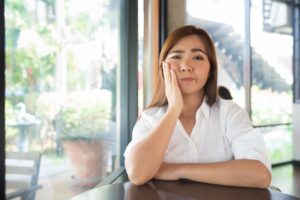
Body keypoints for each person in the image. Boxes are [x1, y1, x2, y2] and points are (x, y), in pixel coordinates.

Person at [124, 25, 271, 188]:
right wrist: (173, 110)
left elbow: (260, 175)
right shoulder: (151, 118)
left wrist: (177, 170)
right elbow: (137, 174)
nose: (186, 66)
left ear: (211, 69)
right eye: (176, 57)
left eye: (198, 57)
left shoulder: (229, 113)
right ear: (163, 67)